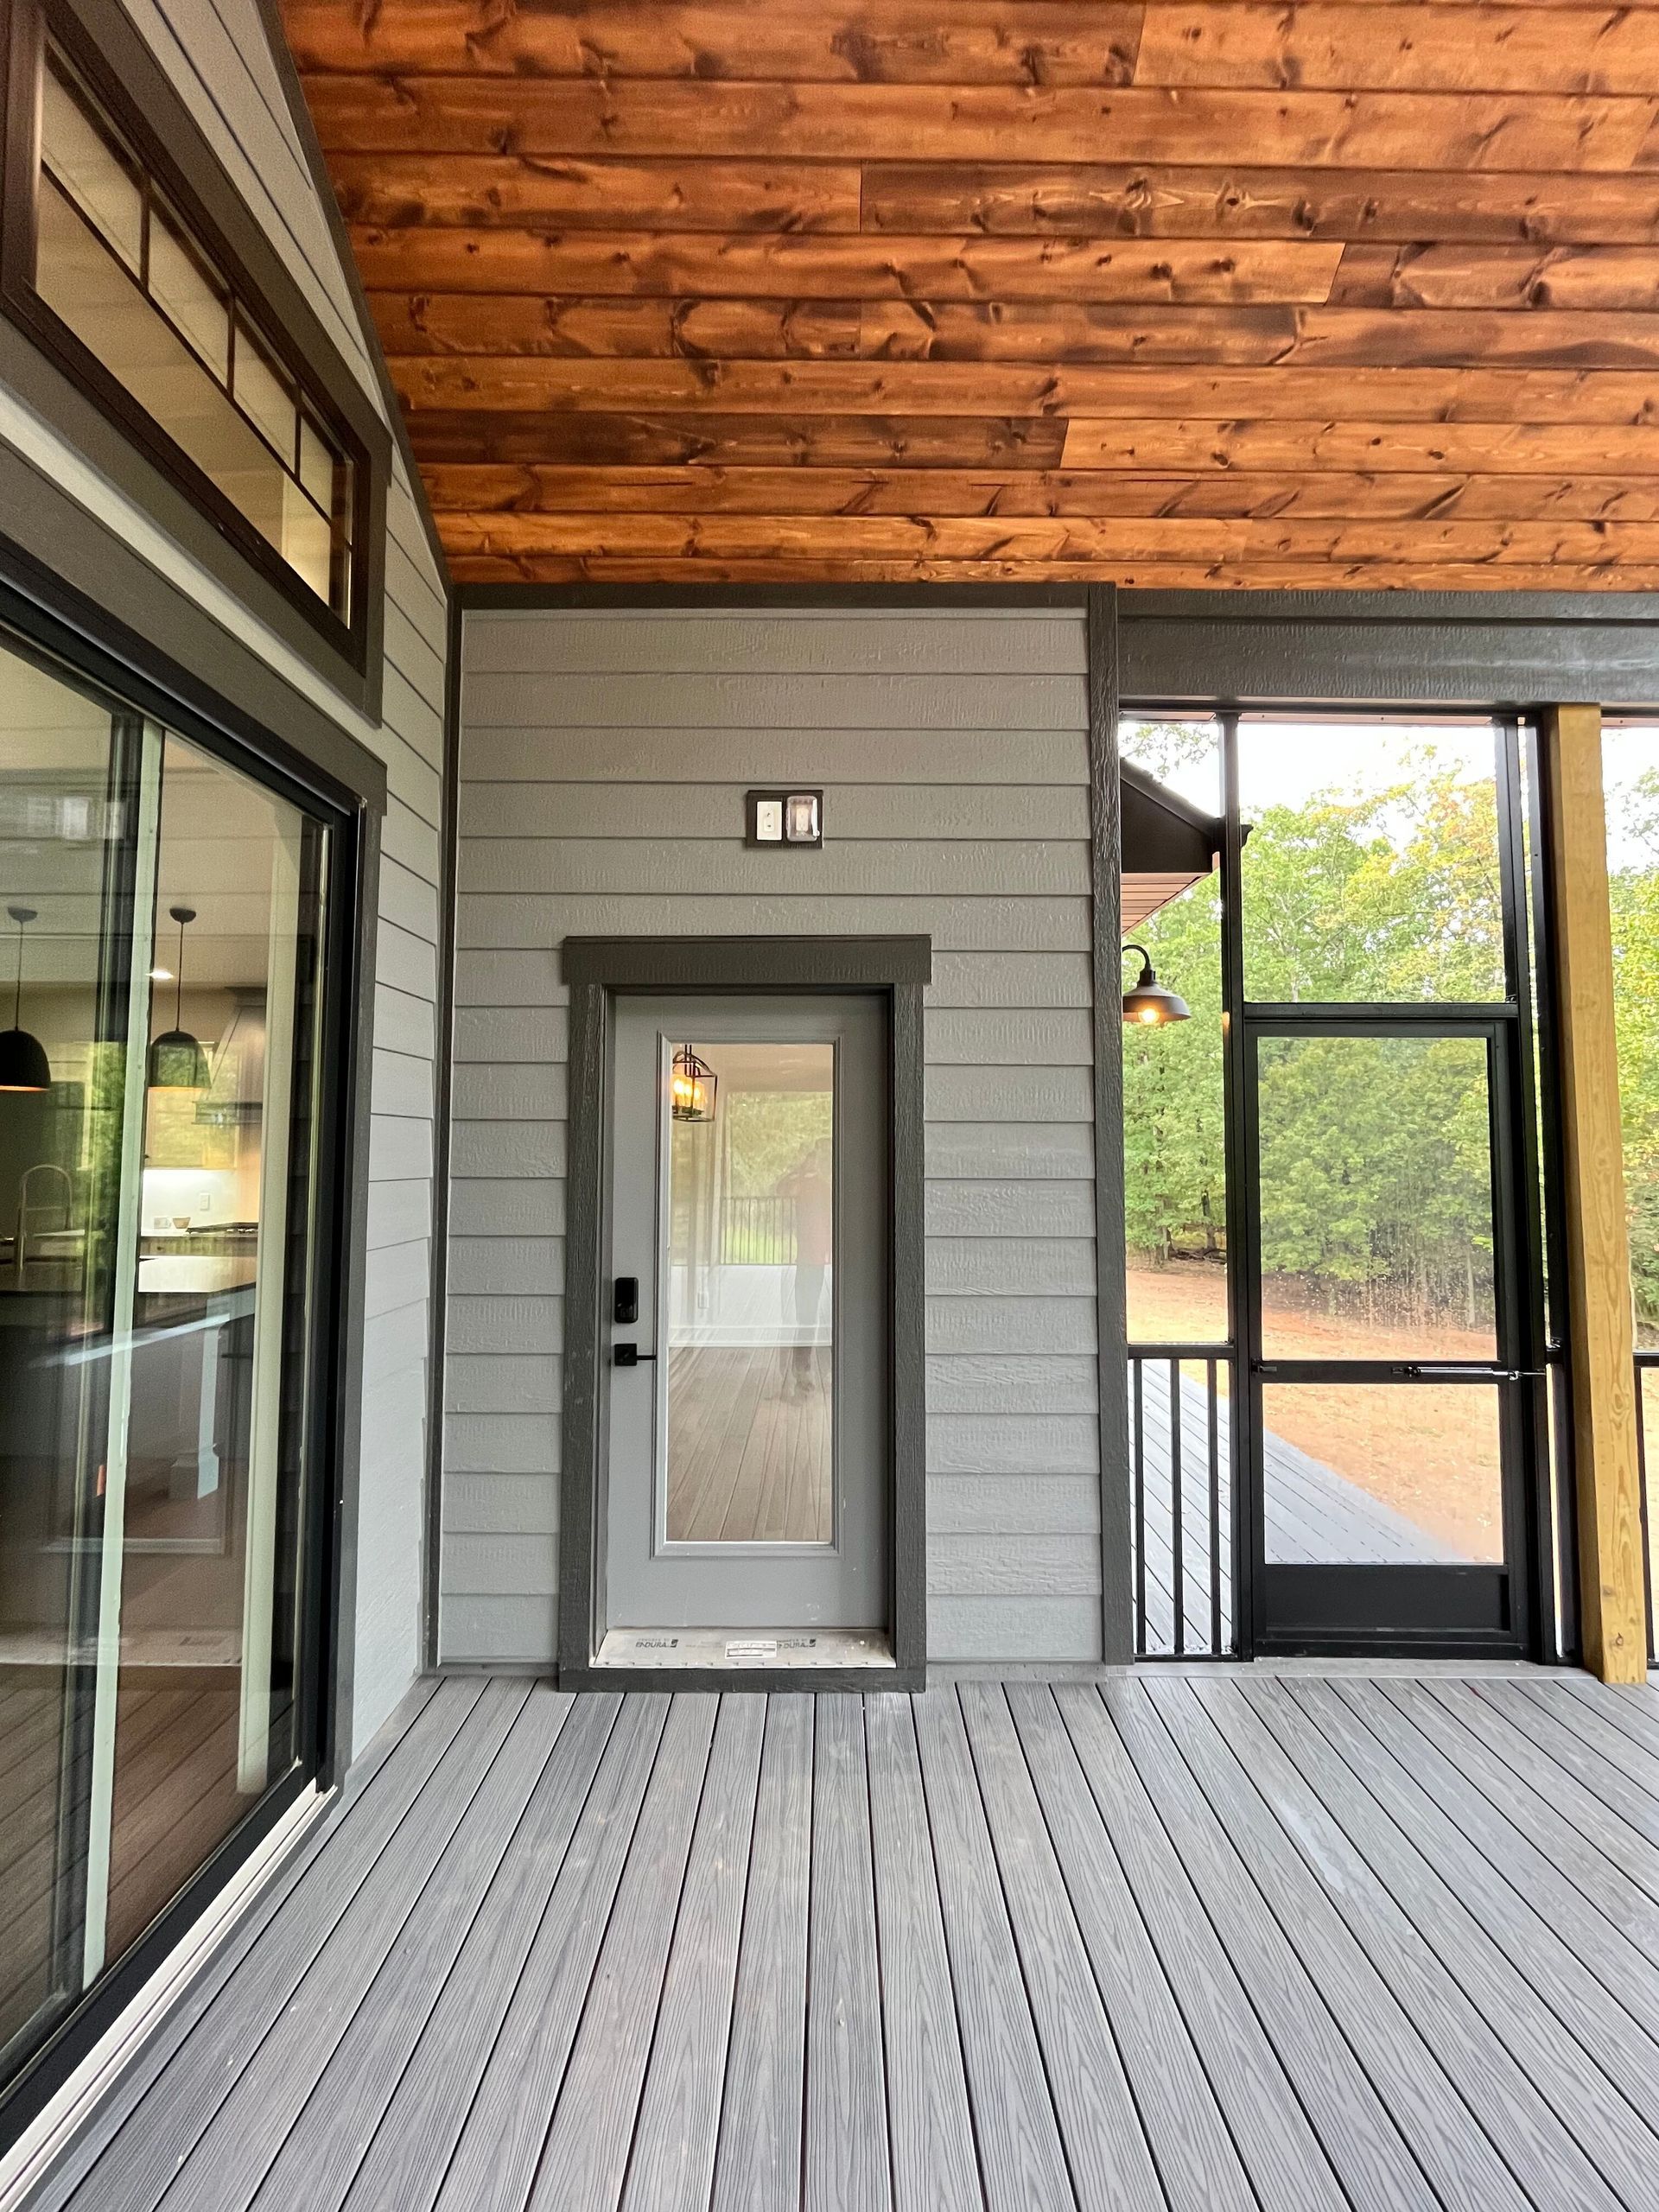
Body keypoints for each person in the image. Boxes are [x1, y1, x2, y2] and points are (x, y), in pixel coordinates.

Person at [777, 1135, 832, 1395]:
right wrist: (800, 1169)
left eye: (818, 1156)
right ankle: (802, 1370)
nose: (815, 1160)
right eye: (813, 1155)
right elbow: (781, 1189)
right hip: (807, 1259)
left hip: (821, 1259)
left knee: (816, 1315)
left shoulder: (826, 1186)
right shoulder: (806, 1184)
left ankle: (813, 1369)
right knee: (805, 1315)